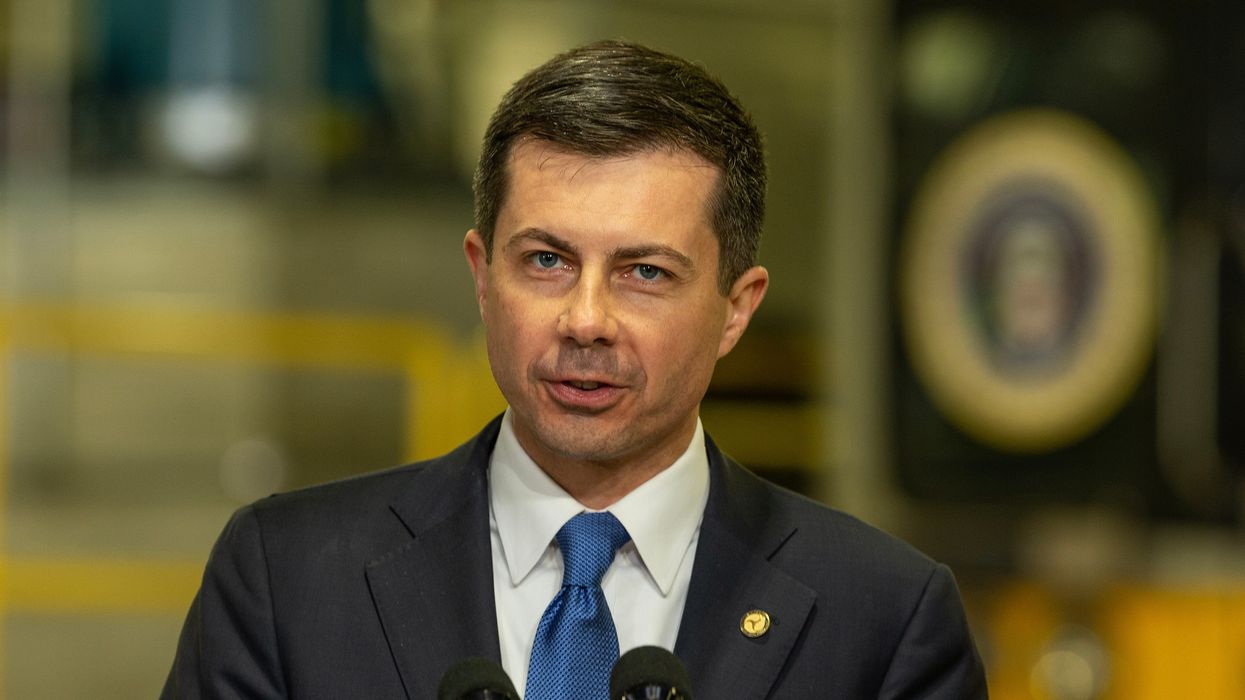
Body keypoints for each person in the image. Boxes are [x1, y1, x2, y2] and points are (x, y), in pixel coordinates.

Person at [164, 40, 987, 699]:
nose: (586, 320)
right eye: (548, 260)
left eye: (645, 273)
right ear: (482, 277)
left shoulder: (882, 621)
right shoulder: (288, 579)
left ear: (736, 308)